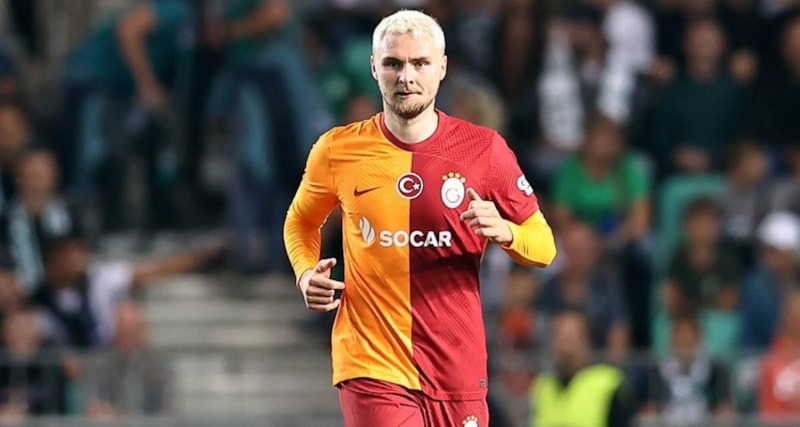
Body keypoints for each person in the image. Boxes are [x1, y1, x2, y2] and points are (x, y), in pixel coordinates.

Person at [283, 9, 557, 427]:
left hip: (457, 368)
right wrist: (305, 273)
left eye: (420, 63)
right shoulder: (338, 149)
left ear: (442, 68)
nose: (406, 77)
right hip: (371, 362)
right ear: (374, 68)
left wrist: (505, 231)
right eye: (393, 63)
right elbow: (301, 221)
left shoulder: (484, 150)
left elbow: (544, 247)